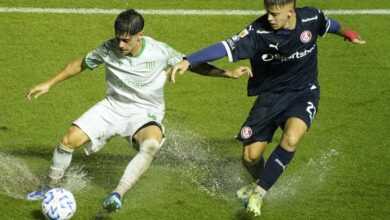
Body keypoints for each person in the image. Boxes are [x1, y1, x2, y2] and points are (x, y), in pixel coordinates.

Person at [26, 9, 251, 212]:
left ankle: (117, 194)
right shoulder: (108, 48)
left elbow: (190, 64)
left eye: (126, 40)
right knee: (68, 140)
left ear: (140, 35)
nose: (121, 45)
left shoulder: (159, 51)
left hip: (145, 112)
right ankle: (50, 186)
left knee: (151, 144)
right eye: (118, 39)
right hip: (113, 107)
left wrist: (227, 73)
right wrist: (49, 83)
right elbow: (81, 63)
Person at [168, 0, 365, 216]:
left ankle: (259, 194)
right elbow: (224, 46)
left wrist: (347, 32)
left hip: (304, 92)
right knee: (250, 158)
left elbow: (329, 24)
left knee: (291, 138)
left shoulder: (311, 17)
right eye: (267, 12)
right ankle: (259, 182)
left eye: (274, 13)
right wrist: (189, 60)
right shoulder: (257, 32)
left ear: (290, 11)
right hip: (270, 97)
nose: (269, 18)